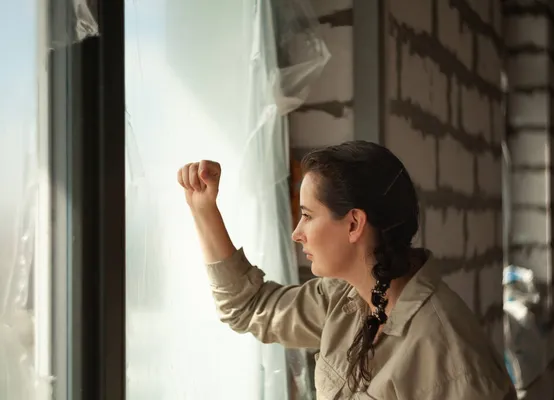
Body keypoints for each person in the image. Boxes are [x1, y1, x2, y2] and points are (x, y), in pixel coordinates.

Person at [177, 140, 516, 399]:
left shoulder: (450, 355)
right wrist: (203, 208)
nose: (297, 234)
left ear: (354, 223)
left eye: (307, 216)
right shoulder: (343, 297)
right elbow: (248, 308)